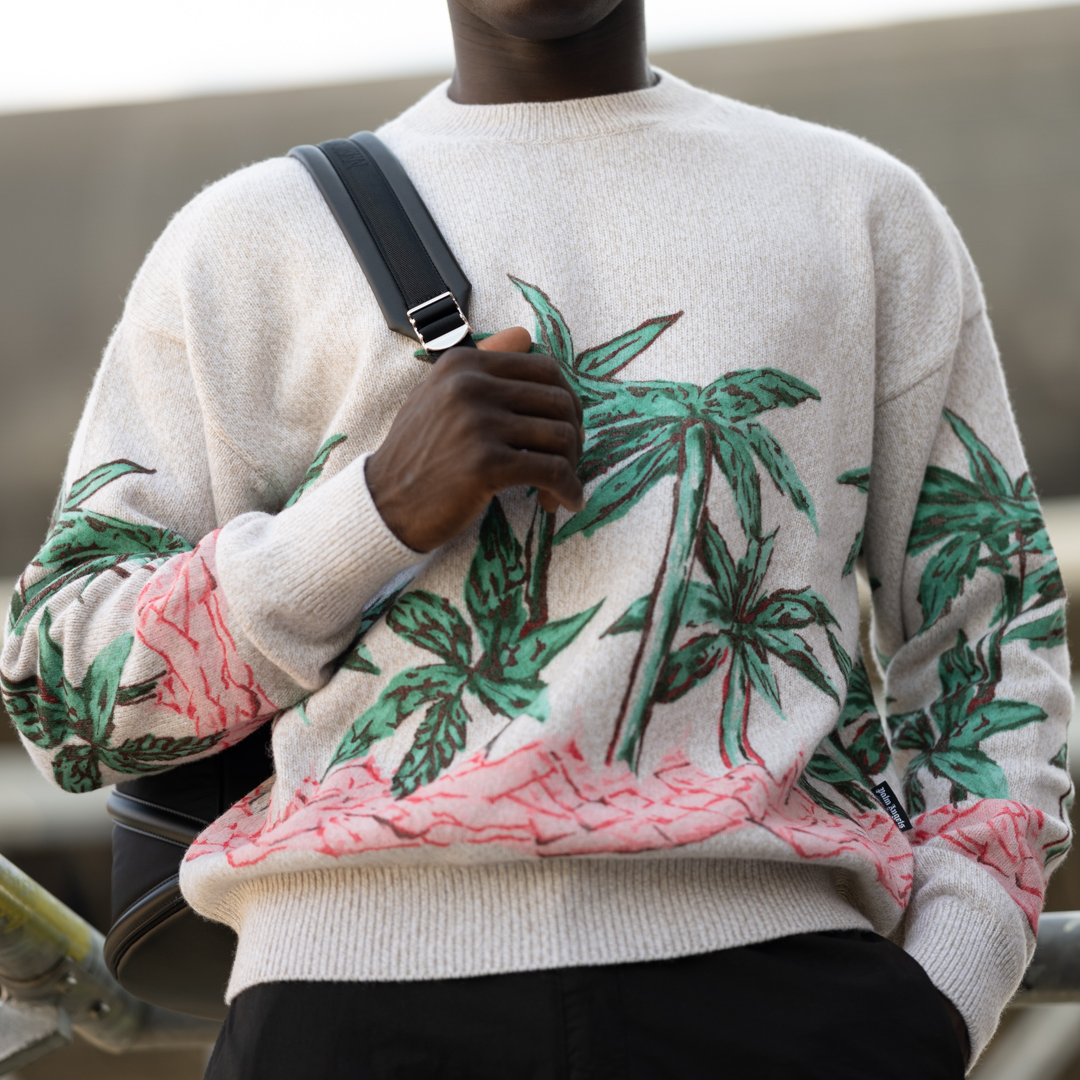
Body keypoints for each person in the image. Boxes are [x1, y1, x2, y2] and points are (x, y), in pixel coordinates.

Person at [2, 1, 1072, 1075]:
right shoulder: (250, 241)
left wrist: (943, 996)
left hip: (787, 996)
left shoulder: (857, 208)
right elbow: (65, 699)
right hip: (347, 1013)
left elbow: (994, 639)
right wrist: (369, 515)